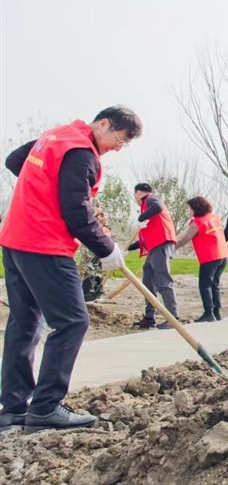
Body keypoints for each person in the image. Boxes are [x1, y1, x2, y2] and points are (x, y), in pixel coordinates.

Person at [0, 106, 140, 433]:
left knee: (25, 322)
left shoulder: (55, 136)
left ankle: (12, 411)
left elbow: (14, 160)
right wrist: (106, 248)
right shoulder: (82, 154)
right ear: (103, 124)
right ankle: (46, 408)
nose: (117, 148)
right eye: (118, 140)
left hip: (14, 238)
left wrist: (45, 190)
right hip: (43, 243)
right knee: (73, 321)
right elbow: (76, 213)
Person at [132, 182, 178, 330]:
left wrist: (141, 218)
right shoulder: (146, 206)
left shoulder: (151, 199)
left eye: (135, 194)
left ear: (139, 192)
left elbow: (157, 208)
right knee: (148, 280)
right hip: (154, 246)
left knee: (163, 281)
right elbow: (148, 236)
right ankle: (149, 316)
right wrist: (130, 248)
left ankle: (173, 317)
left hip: (162, 244)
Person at [175, 196, 228, 323]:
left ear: (196, 208)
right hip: (222, 255)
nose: (189, 211)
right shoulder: (214, 217)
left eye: (190, 208)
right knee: (214, 284)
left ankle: (208, 313)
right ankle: (216, 312)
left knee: (205, 285)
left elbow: (184, 239)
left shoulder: (198, 222)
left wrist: (169, 248)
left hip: (209, 257)